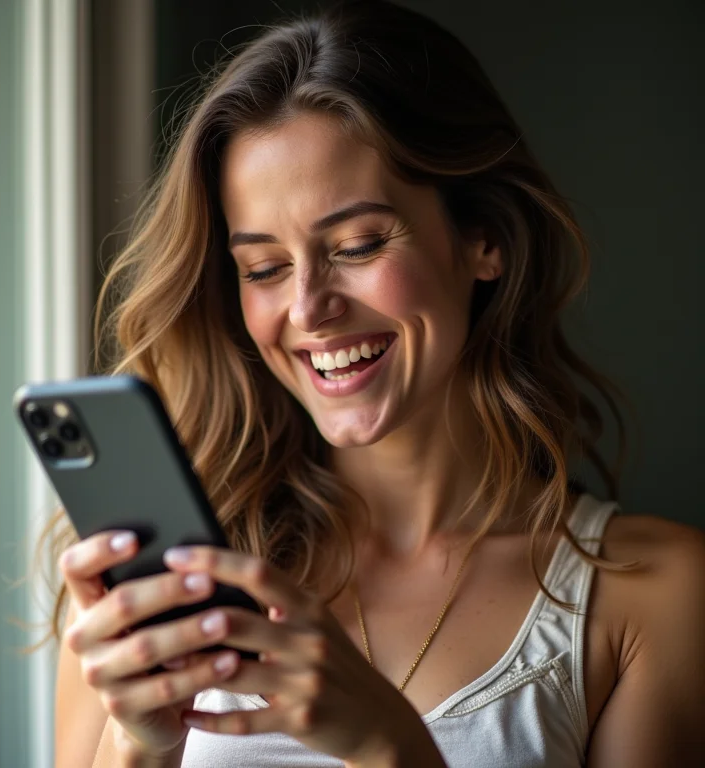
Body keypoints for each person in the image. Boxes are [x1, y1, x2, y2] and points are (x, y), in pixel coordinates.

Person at [48, 1, 705, 766]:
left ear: (482, 239)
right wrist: (138, 745)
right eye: (263, 268)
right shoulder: (151, 589)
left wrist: (387, 747)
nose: (307, 308)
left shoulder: (653, 596)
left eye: (358, 245)